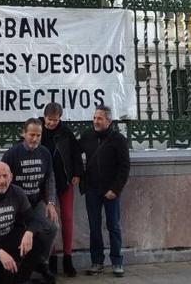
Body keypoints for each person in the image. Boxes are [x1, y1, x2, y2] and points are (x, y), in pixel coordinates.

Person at [0, 162, 51, 284]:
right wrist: (0, 253)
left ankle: (21, 279)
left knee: (38, 240)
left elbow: (33, 220)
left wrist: (29, 233)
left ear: (11, 176)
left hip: (9, 236)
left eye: (5, 176)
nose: (2, 180)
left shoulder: (18, 192)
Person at [1, 118, 58, 283]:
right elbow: (3, 181)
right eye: (31, 134)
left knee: (52, 228)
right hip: (16, 205)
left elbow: (50, 178)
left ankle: (42, 262)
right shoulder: (12, 154)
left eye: (38, 135)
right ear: (23, 133)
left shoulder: (45, 153)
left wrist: (52, 203)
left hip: (36, 201)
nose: (34, 139)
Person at [78, 105, 130, 278]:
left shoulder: (118, 139)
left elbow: (124, 167)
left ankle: (117, 262)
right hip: (92, 189)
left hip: (111, 191)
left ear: (109, 121)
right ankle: (97, 262)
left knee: (113, 226)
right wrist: (79, 176)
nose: (95, 121)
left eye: (99, 118)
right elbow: (74, 154)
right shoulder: (86, 136)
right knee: (94, 226)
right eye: (94, 118)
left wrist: (115, 189)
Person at [40, 103, 83, 277]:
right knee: (50, 222)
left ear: (60, 118)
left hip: (65, 181)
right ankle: (51, 258)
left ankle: (68, 257)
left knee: (67, 218)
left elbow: (75, 154)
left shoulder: (66, 132)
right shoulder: (37, 130)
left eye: (55, 120)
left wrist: (77, 173)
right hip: (44, 184)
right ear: (44, 117)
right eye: (49, 120)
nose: (51, 123)